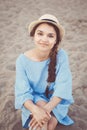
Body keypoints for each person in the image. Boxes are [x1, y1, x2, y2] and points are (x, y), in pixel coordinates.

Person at [15, 14, 74, 130]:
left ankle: (53, 119)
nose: (44, 40)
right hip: (34, 99)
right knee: (42, 124)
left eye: (50, 36)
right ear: (33, 35)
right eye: (40, 33)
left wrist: (44, 111)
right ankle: (50, 120)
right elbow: (22, 92)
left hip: (55, 101)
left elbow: (63, 87)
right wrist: (36, 110)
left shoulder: (61, 56)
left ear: (56, 40)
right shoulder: (22, 60)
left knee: (48, 124)